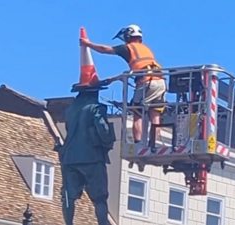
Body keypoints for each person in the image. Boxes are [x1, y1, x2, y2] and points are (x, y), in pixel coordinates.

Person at [80, 24, 166, 143]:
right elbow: (137, 69)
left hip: (147, 82)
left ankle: (138, 143)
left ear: (127, 36)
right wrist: (114, 78)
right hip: (160, 82)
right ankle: (155, 143)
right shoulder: (145, 49)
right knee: (155, 114)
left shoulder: (129, 48)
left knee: (137, 112)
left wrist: (87, 43)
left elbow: (105, 50)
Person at [56, 83, 116, 225]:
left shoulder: (70, 110)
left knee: (68, 195)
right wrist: (108, 139)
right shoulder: (96, 108)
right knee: (99, 198)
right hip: (92, 157)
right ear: (93, 91)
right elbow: (103, 129)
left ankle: (68, 223)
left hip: (70, 157)